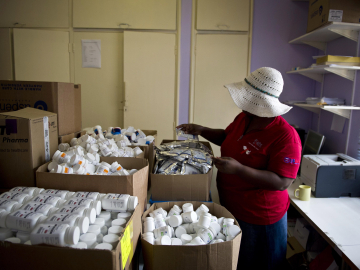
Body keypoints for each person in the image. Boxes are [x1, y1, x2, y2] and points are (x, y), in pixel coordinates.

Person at [177, 67, 302, 270]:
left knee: (261, 264)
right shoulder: (245, 118)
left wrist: (239, 169)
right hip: (233, 208)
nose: (242, 106)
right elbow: (228, 137)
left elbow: (282, 182)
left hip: (260, 218)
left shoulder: (285, 136)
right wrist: (201, 129)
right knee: (240, 261)